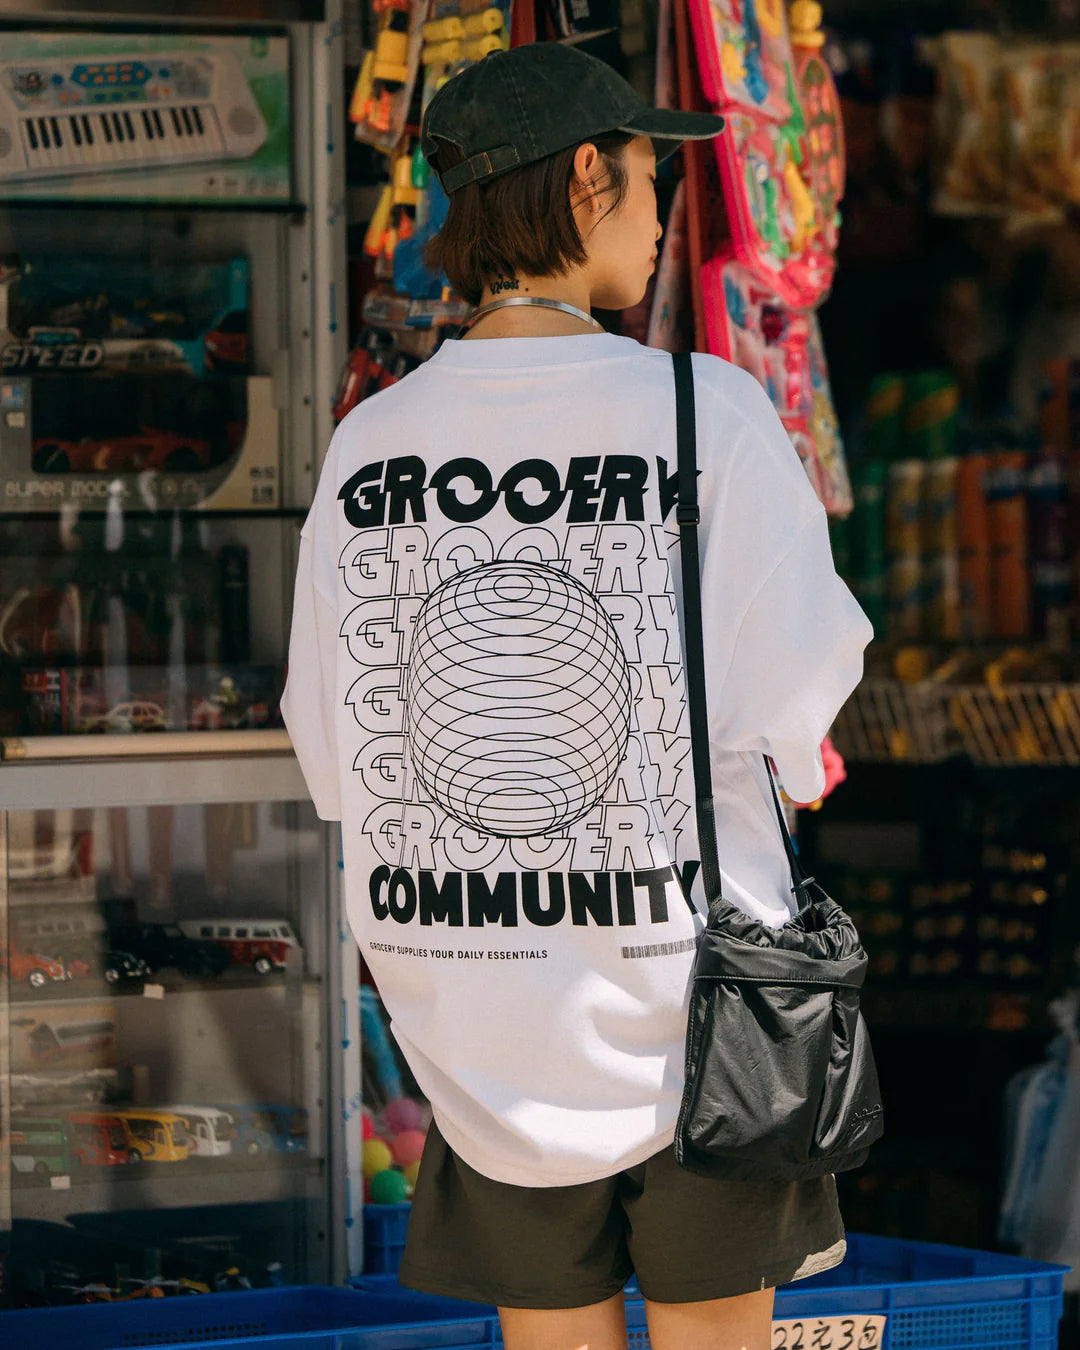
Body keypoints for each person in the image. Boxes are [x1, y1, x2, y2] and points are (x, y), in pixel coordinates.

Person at [282, 41, 872, 1350]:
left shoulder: (373, 443)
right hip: (698, 1008)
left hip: (479, 1012)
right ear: (592, 176)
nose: (664, 218)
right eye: (657, 179)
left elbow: (334, 745)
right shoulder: (701, 412)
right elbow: (802, 687)